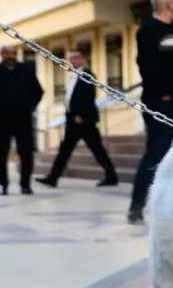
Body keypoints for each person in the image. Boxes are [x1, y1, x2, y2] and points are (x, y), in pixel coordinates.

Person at [128, 0, 173, 224]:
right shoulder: (149, 30)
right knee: (156, 154)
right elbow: (147, 66)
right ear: (168, 5)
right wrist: (164, 93)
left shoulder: (170, 31)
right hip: (162, 103)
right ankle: (137, 205)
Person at [35, 50, 118, 188]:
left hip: (83, 121)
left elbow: (89, 97)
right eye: (70, 58)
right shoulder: (73, 76)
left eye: (76, 58)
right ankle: (53, 177)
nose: (73, 61)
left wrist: (81, 115)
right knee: (67, 150)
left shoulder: (87, 74)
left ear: (83, 59)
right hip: (73, 119)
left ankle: (111, 176)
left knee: (95, 149)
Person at [0, 44, 43, 196]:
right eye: (8, 53)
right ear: (2, 54)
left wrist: (29, 107)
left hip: (23, 119)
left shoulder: (27, 70)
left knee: (26, 152)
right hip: (2, 120)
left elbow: (38, 91)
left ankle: (25, 184)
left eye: (13, 53)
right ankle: (3, 184)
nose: (11, 56)